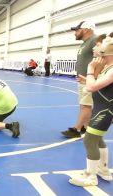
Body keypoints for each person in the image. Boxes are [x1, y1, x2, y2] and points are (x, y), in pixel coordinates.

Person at [69, 35, 113, 187]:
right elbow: (97, 85)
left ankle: (91, 176)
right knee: (98, 140)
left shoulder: (112, 69)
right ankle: (103, 169)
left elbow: (91, 87)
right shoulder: (108, 68)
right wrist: (88, 79)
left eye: (100, 48)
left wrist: (90, 69)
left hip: (105, 112)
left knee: (89, 140)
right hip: (102, 109)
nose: (96, 50)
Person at [61, 21, 98, 138]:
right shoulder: (85, 43)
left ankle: (76, 129)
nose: (75, 33)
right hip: (83, 80)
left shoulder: (94, 41)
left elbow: (101, 60)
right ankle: (86, 126)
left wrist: (92, 78)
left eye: (77, 30)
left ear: (86, 29)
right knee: (84, 105)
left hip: (88, 80)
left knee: (85, 105)